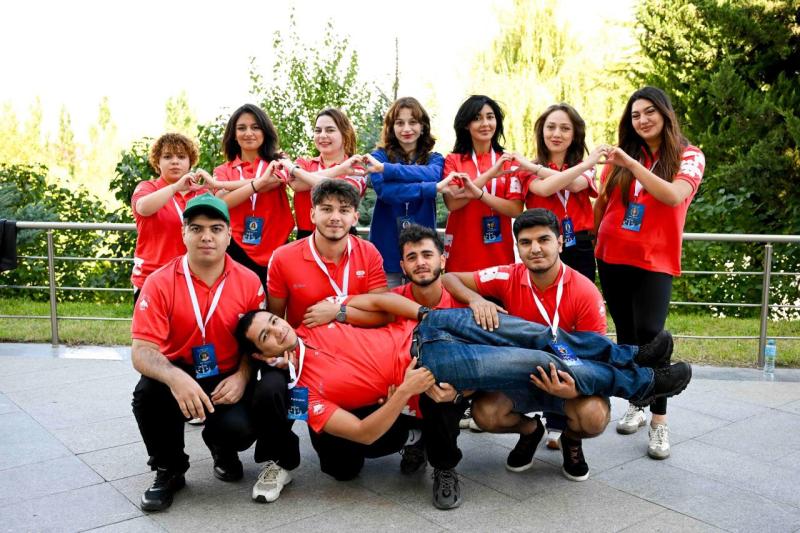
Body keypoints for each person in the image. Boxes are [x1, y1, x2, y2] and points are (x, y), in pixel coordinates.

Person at [236, 292, 690, 510]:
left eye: (272, 321)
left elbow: (379, 305)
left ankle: (631, 357)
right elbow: (361, 433)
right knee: (538, 361)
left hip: (434, 324)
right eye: (266, 336)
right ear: (261, 354)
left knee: (542, 335)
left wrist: (415, 312)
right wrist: (405, 393)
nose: (277, 330)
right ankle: (641, 384)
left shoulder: (314, 321)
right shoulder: (304, 393)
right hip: (434, 362)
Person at [442, 207, 667, 481]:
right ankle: (530, 432)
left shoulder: (585, 291)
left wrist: (575, 388)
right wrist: (476, 299)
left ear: (560, 243)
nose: (535, 249)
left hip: (570, 375)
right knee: (485, 414)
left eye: (543, 240)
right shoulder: (507, 276)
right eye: (526, 242)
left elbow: (595, 356)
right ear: (518, 248)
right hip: (522, 376)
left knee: (593, 417)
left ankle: (571, 439)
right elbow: (449, 278)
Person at [131, 193, 288, 511]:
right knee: (147, 395)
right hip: (179, 368)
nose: (206, 236)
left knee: (239, 428)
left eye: (216, 229)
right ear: (183, 233)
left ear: (229, 235)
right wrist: (175, 378)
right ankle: (169, 469)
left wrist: (243, 376)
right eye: (197, 228)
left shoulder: (249, 281)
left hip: (228, 372)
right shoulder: (159, 282)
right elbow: (141, 351)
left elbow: (257, 344)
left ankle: (222, 447)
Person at [594, 86, 705, 459]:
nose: (642, 120)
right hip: (612, 255)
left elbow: (673, 195)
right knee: (627, 336)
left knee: (652, 337)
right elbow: (603, 202)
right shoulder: (625, 156)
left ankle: (659, 421)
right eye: (635, 115)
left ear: (665, 113)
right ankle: (636, 403)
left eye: (649, 112)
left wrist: (630, 164)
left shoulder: (689, 156)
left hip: (655, 259)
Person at [267, 178, 388, 329]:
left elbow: (384, 315)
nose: (335, 218)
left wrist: (339, 312)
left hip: (359, 342)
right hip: (306, 343)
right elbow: (275, 320)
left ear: (355, 218)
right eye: (327, 209)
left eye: (344, 210)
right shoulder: (283, 258)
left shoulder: (369, 252)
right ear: (312, 215)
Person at [365, 96, 450, 287]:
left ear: (423, 127)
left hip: (423, 252)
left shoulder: (435, 159)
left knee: (421, 303)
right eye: (399, 123)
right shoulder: (378, 156)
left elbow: (432, 174)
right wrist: (429, 188)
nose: (406, 129)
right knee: (387, 303)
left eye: (413, 122)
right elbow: (386, 192)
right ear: (391, 127)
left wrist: (387, 170)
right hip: (386, 250)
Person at [441, 95, 525, 272]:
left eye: (490, 117)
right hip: (462, 253)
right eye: (477, 118)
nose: (485, 123)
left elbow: (516, 209)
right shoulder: (453, 160)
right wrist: (491, 174)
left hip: (499, 254)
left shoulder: (508, 161)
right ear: (466, 124)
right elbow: (453, 203)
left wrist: (479, 194)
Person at [525, 104, 598, 282]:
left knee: (582, 297)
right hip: (542, 245)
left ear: (575, 135)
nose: (556, 134)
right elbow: (544, 189)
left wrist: (535, 169)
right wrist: (532, 167)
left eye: (565, 129)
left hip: (580, 245)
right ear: (542, 131)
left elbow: (575, 185)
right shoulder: (527, 168)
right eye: (550, 127)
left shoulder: (585, 166)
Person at [130, 133, 206, 303]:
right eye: (167, 157)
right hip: (151, 277)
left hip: (193, 278)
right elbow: (143, 208)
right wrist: (175, 187)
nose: (175, 162)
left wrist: (214, 187)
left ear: (190, 162)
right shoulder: (148, 187)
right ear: (157, 162)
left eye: (181, 157)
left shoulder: (202, 193)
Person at [281, 108, 367, 239]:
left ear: (345, 135)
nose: (322, 135)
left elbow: (343, 193)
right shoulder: (304, 163)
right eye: (318, 130)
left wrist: (295, 170)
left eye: (330, 130)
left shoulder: (356, 167)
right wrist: (340, 170)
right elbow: (297, 185)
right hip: (306, 238)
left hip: (342, 237)